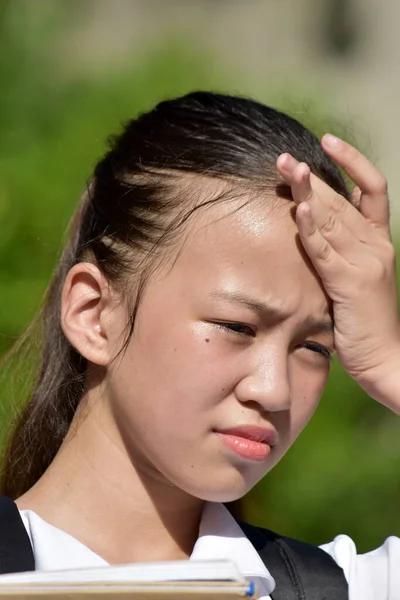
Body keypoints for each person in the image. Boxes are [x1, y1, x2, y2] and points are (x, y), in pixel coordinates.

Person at [0, 92, 399, 599]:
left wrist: (390, 364)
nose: (274, 391)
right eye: (236, 326)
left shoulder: (345, 589)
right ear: (94, 314)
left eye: (315, 348)